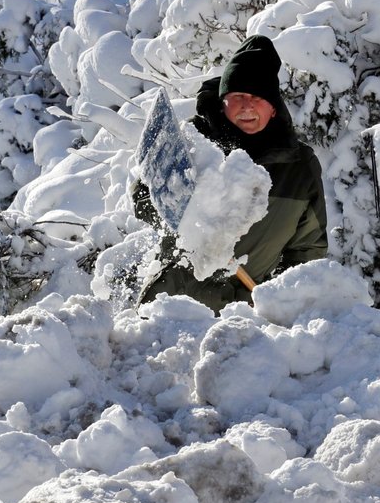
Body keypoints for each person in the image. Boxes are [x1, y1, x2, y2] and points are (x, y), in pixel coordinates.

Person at [134, 35, 327, 311]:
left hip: (243, 317)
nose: (247, 105)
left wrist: (281, 301)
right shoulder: (192, 142)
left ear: (273, 108)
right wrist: (194, 223)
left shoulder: (299, 166)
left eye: (257, 97)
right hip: (171, 303)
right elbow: (143, 198)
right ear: (223, 101)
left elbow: (308, 249)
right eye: (238, 96)